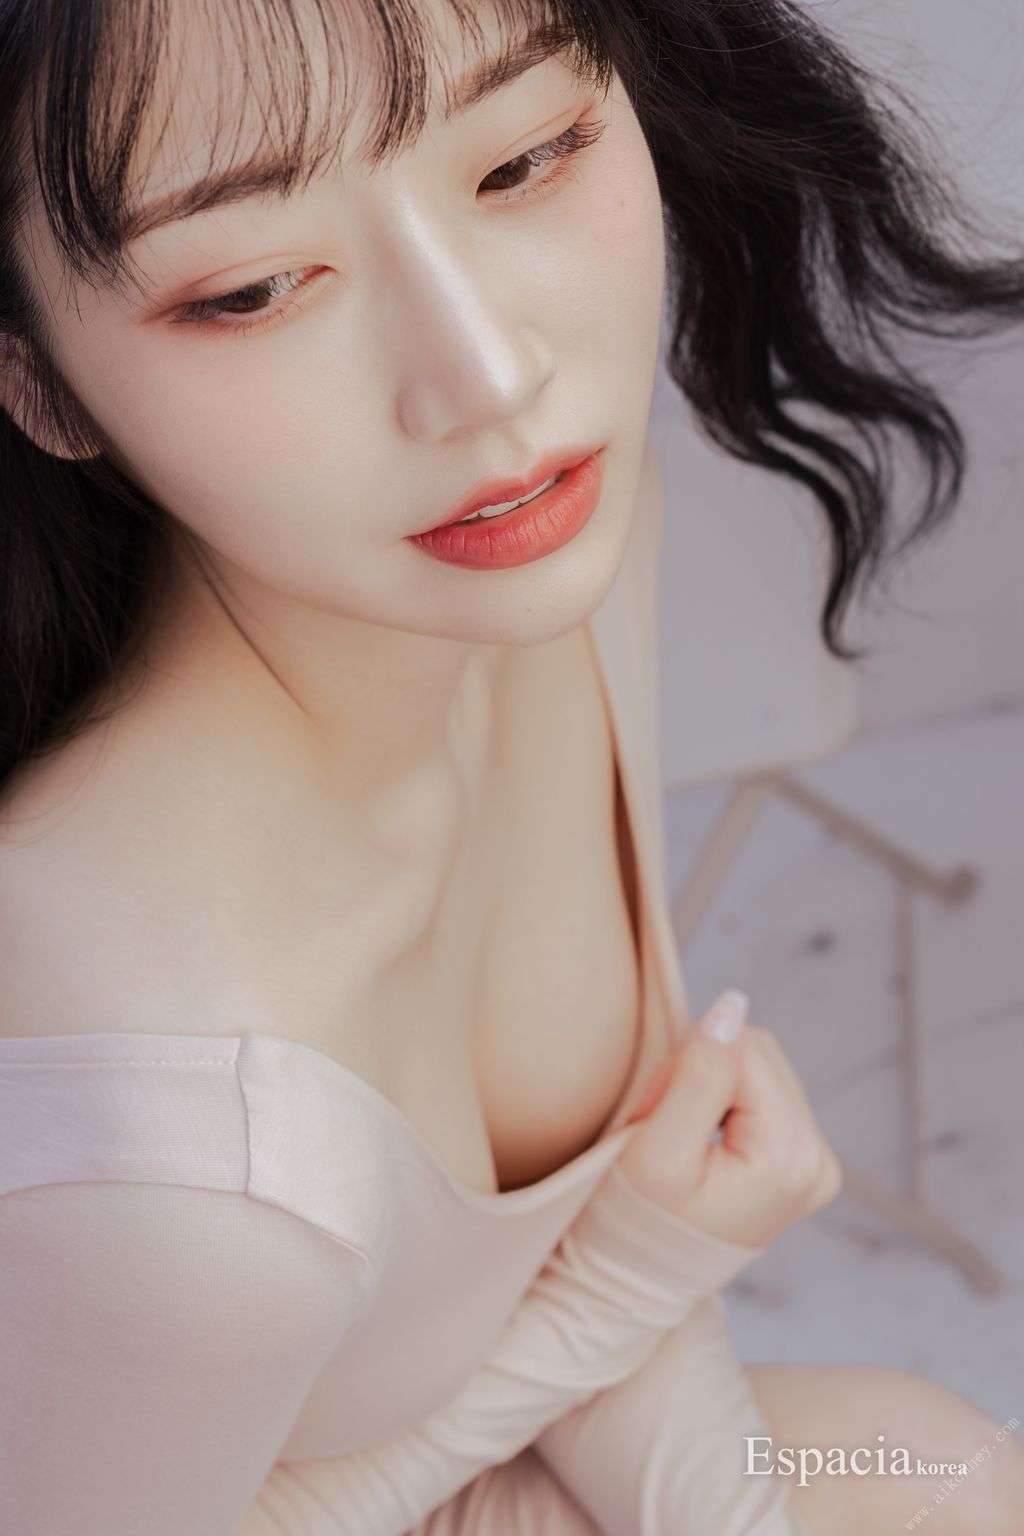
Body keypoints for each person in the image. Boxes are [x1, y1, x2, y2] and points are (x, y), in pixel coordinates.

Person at [0, 0, 1022, 1531]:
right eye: (256, 287)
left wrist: (671, 1387)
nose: (486, 378)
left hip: (472, 1448)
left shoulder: (524, 552)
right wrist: (615, 1289)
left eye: (527, 157)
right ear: (41, 385)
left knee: (941, 1474)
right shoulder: (176, 1144)